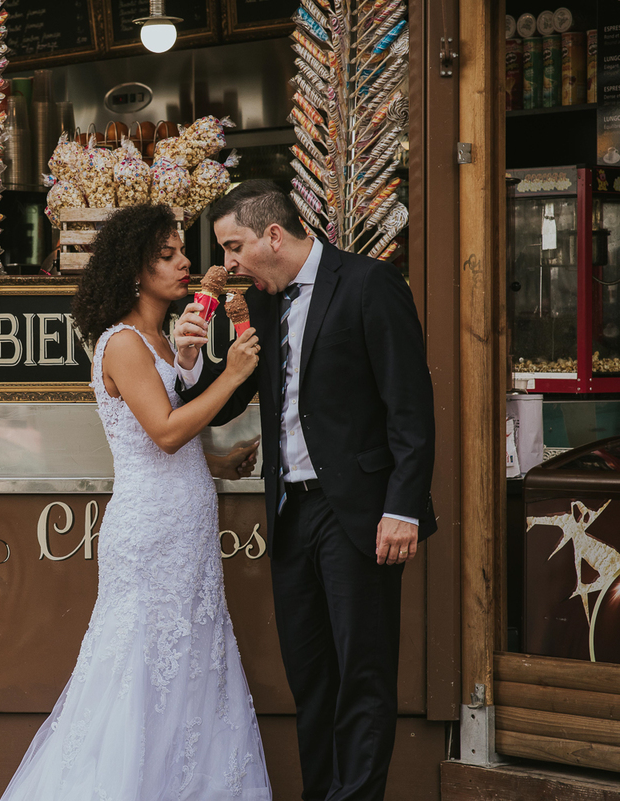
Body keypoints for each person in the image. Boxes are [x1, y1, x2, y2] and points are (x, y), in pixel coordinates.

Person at [174, 180, 436, 801]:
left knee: (362, 677)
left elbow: (411, 410)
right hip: (291, 516)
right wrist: (189, 359)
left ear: (272, 234)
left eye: (233, 246)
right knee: (312, 680)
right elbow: (229, 398)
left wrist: (402, 506)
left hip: (363, 514)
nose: (228, 263)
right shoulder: (262, 302)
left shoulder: (370, 284)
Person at [0, 204, 271, 801]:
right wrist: (231, 374)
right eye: (168, 256)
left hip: (185, 523)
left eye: (181, 253)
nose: (186, 264)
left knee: (191, 657)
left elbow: (174, 442)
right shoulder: (123, 342)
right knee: (140, 661)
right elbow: (166, 431)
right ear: (135, 271)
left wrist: (222, 461)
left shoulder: (160, 340)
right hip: (151, 532)